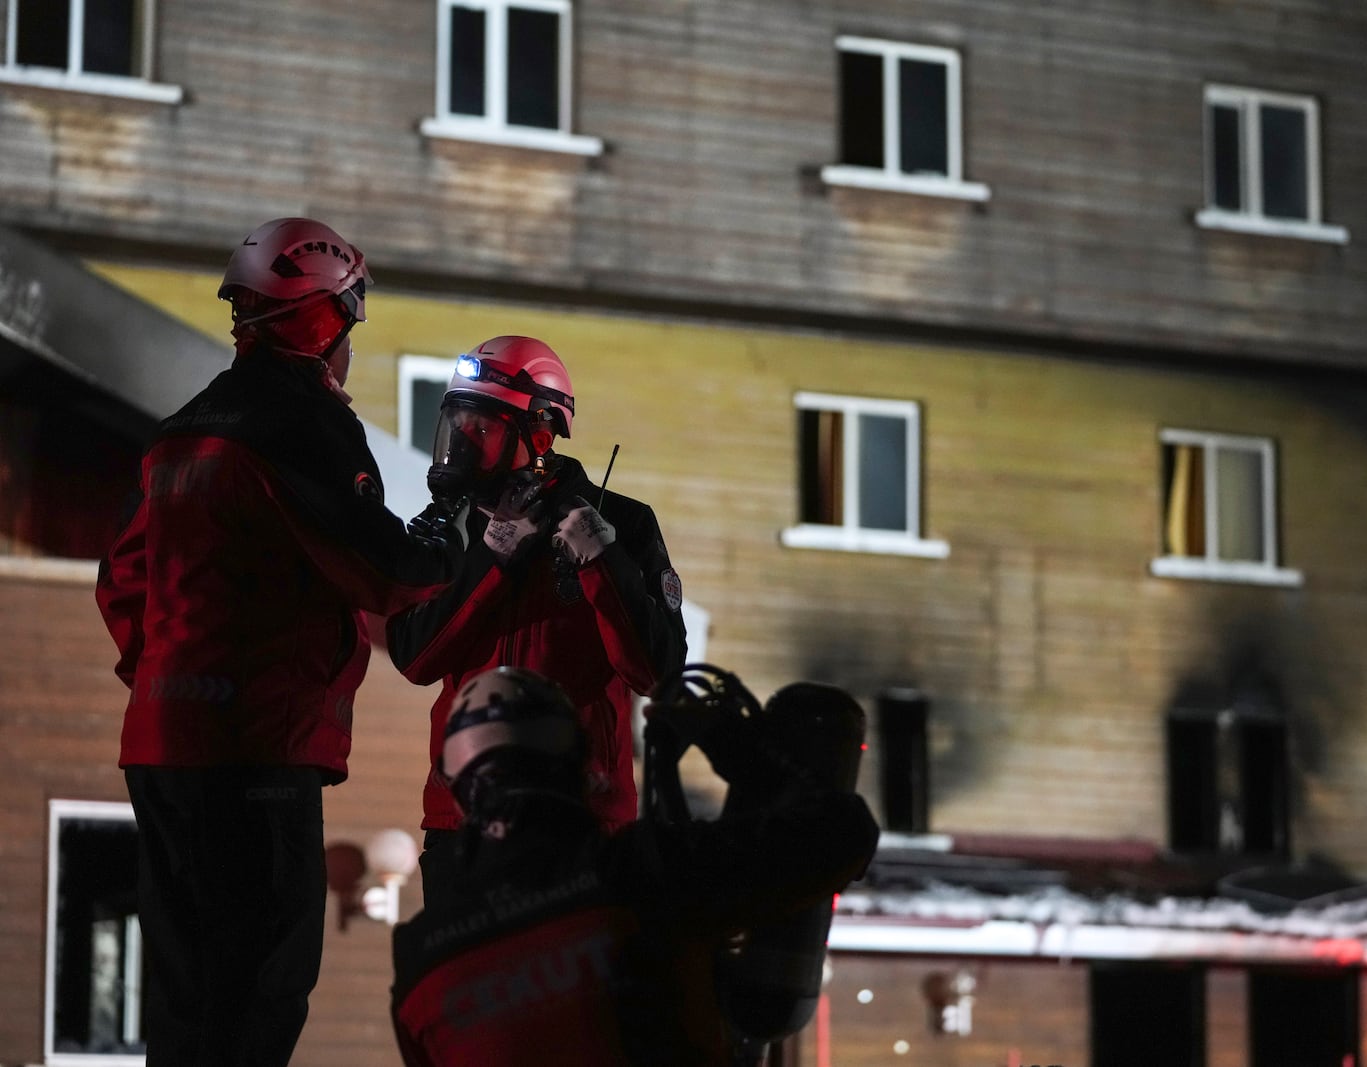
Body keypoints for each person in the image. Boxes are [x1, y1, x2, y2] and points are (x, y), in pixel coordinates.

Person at [95, 216, 472, 1067]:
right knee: (265, 982)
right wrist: (447, 526)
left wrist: (163, 677)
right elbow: (387, 572)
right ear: (327, 318)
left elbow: (120, 580)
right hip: (257, 747)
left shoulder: (181, 429)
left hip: (161, 748)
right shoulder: (302, 423)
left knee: (187, 993)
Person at [389, 665, 880, 1066]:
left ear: (456, 789)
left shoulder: (419, 958)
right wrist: (745, 756)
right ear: (580, 769)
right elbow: (842, 835)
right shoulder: (641, 872)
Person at [386, 335, 687, 900]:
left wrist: (603, 561)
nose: (460, 443)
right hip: (465, 824)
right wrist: (491, 559)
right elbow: (416, 658)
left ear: (540, 434)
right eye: (457, 422)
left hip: (583, 822)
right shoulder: (448, 525)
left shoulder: (624, 522)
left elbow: (657, 672)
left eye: (482, 428)